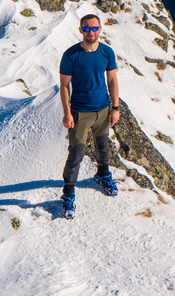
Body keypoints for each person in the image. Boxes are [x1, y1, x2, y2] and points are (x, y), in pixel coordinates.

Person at [59, 12, 121, 215]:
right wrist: (67, 113)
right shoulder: (71, 55)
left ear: (100, 30)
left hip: (103, 110)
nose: (90, 32)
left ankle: (103, 174)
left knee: (103, 146)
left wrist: (115, 107)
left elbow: (112, 80)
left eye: (94, 28)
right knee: (76, 153)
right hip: (80, 113)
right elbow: (64, 86)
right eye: (86, 28)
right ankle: (68, 193)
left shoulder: (107, 52)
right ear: (80, 30)